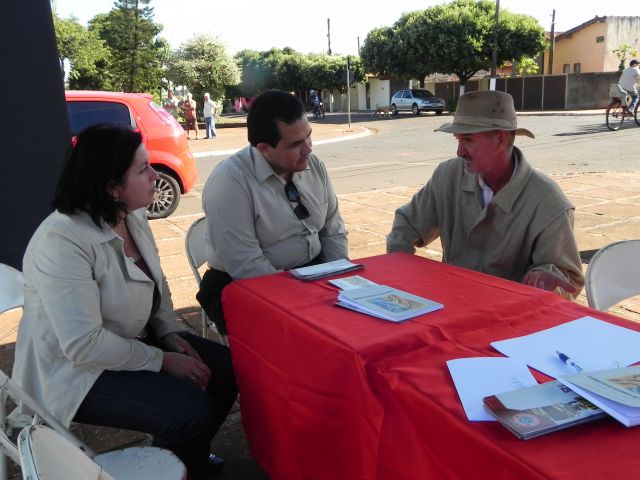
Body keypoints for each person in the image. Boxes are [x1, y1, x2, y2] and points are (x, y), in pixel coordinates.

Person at [12, 124, 237, 479]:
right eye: (143, 169)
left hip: (129, 339)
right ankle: (182, 457)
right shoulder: (62, 241)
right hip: (76, 371)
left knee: (226, 369)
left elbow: (156, 282)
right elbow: (83, 345)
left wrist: (168, 331)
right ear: (111, 187)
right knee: (190, 411)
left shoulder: (131, 215)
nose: (155, 175)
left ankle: (184, 457)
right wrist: (162, 360)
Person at [387, 90, 584, 298]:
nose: (460, 152)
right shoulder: (448, 175)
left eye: (468, 140)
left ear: (500, 139)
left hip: (508, 312)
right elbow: (407, 223)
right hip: (450, 303)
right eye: (458, 140)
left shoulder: (548, 202)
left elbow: (567, 279)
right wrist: (402, 280)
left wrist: (545, 279)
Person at [196, 89, 348, 334]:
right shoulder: (230, 181)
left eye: (308, 136)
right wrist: (304, 297)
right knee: (303, 337)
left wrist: (338, 277)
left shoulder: (313, 165)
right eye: (295, 144)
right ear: (264, 149)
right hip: (242, 285)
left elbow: (333, 231)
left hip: (313, 272)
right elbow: (246, 265)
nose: (308, 148)